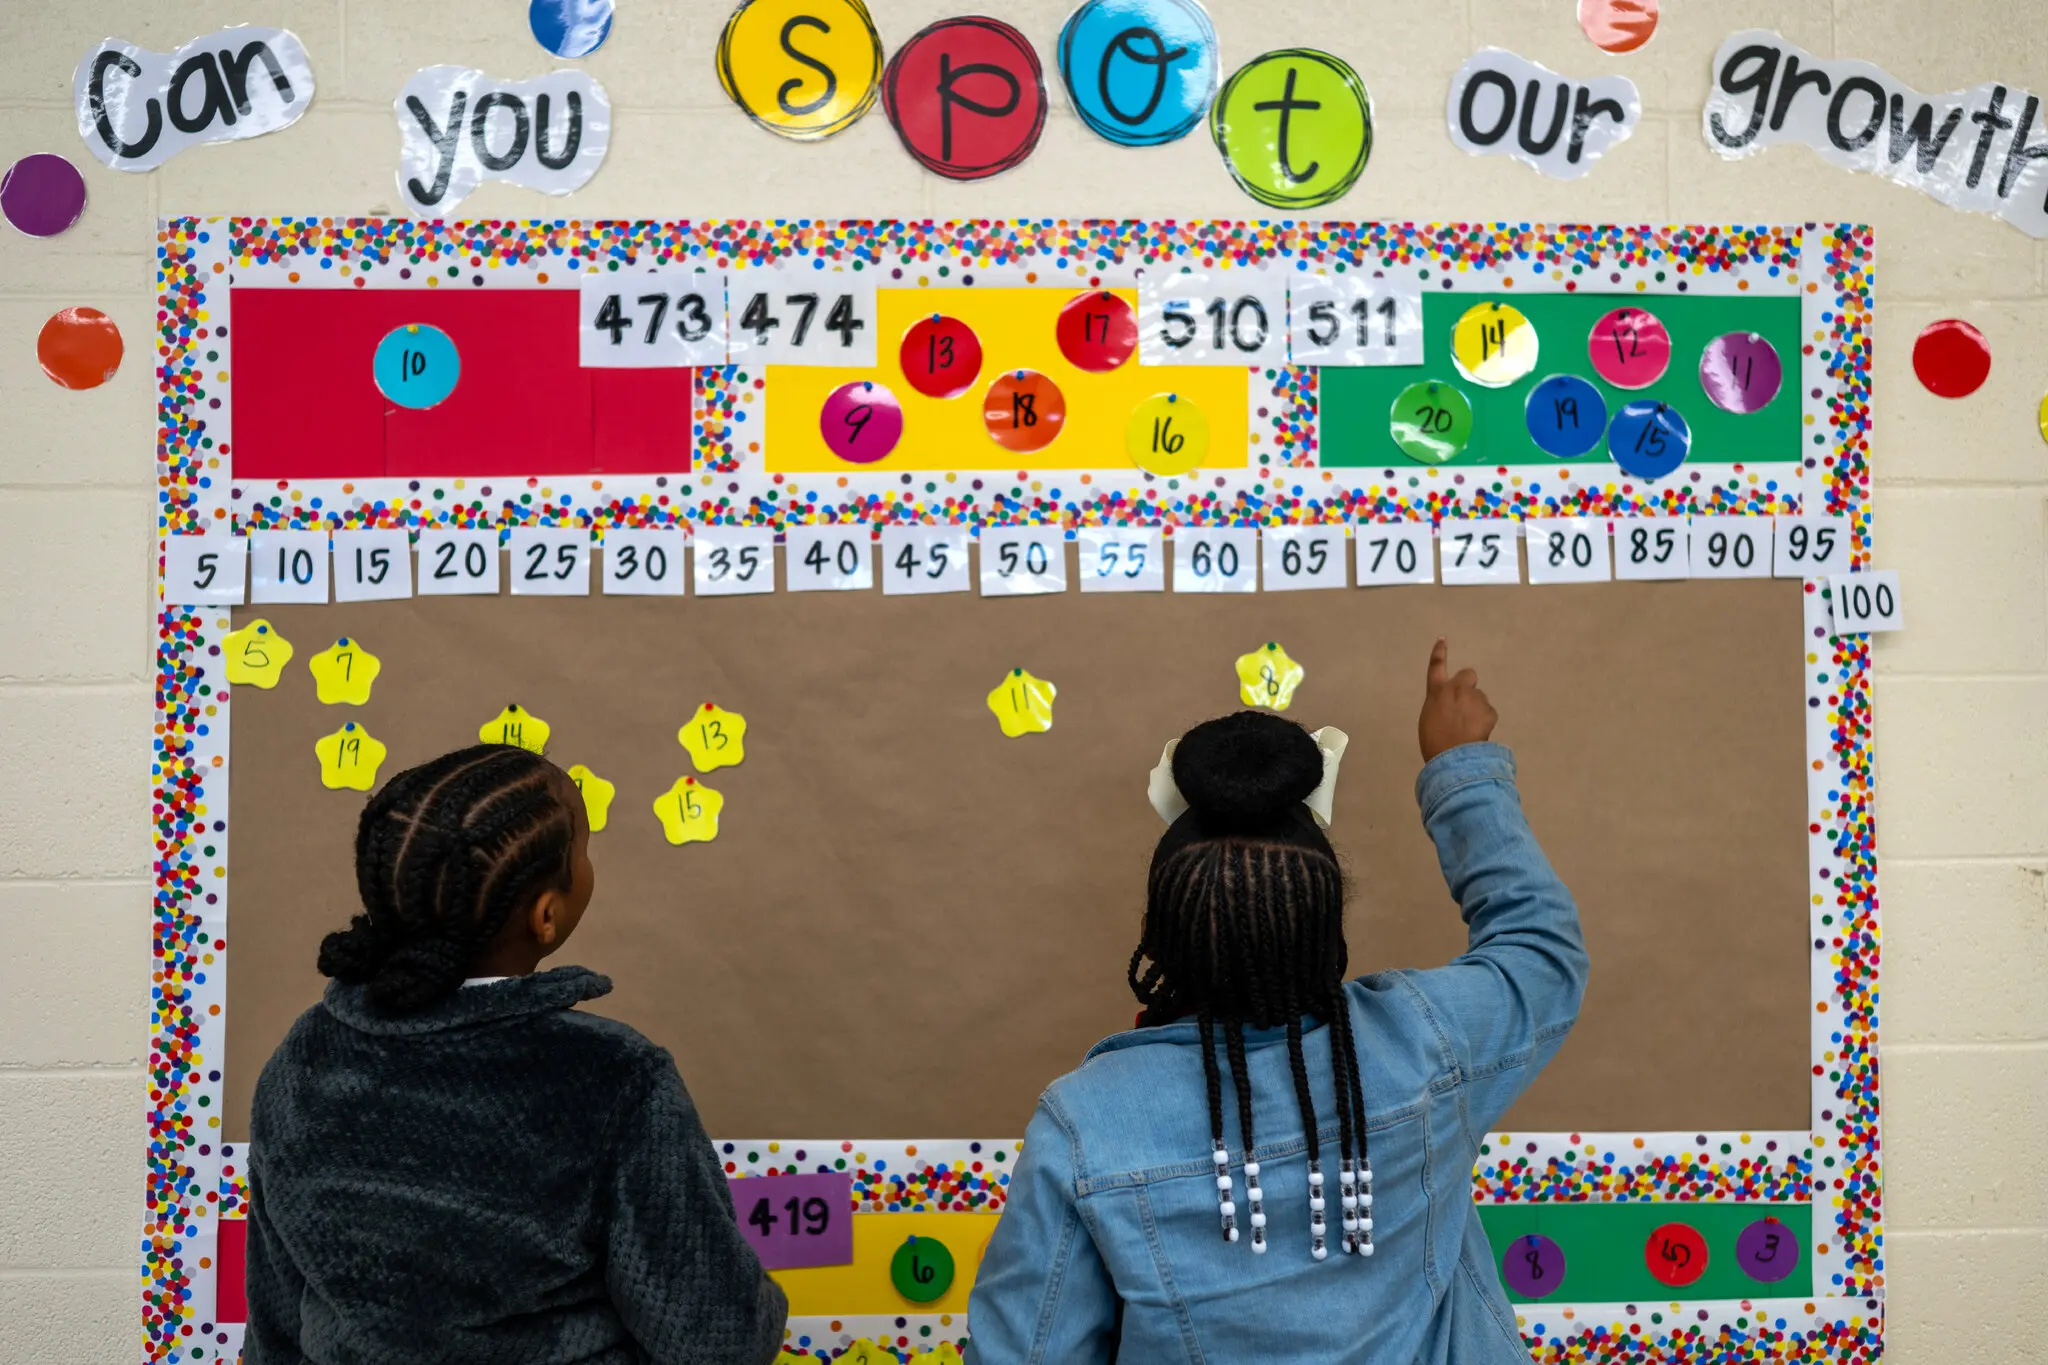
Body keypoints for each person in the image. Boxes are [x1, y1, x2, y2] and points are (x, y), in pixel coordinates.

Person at [965, 641, 1587, 1364]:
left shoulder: (1086, 1125)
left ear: (1161, 939)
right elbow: (1541, 948)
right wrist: (1461, 769)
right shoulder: (1427, 1045)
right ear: (1325, 929)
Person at [243, 743, 787, 1365]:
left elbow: (275, 1321)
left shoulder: (302, 1060)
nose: (589, 863)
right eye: (583, 849)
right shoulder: (613, 1077)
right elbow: (716, 1339)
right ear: (546, 915)